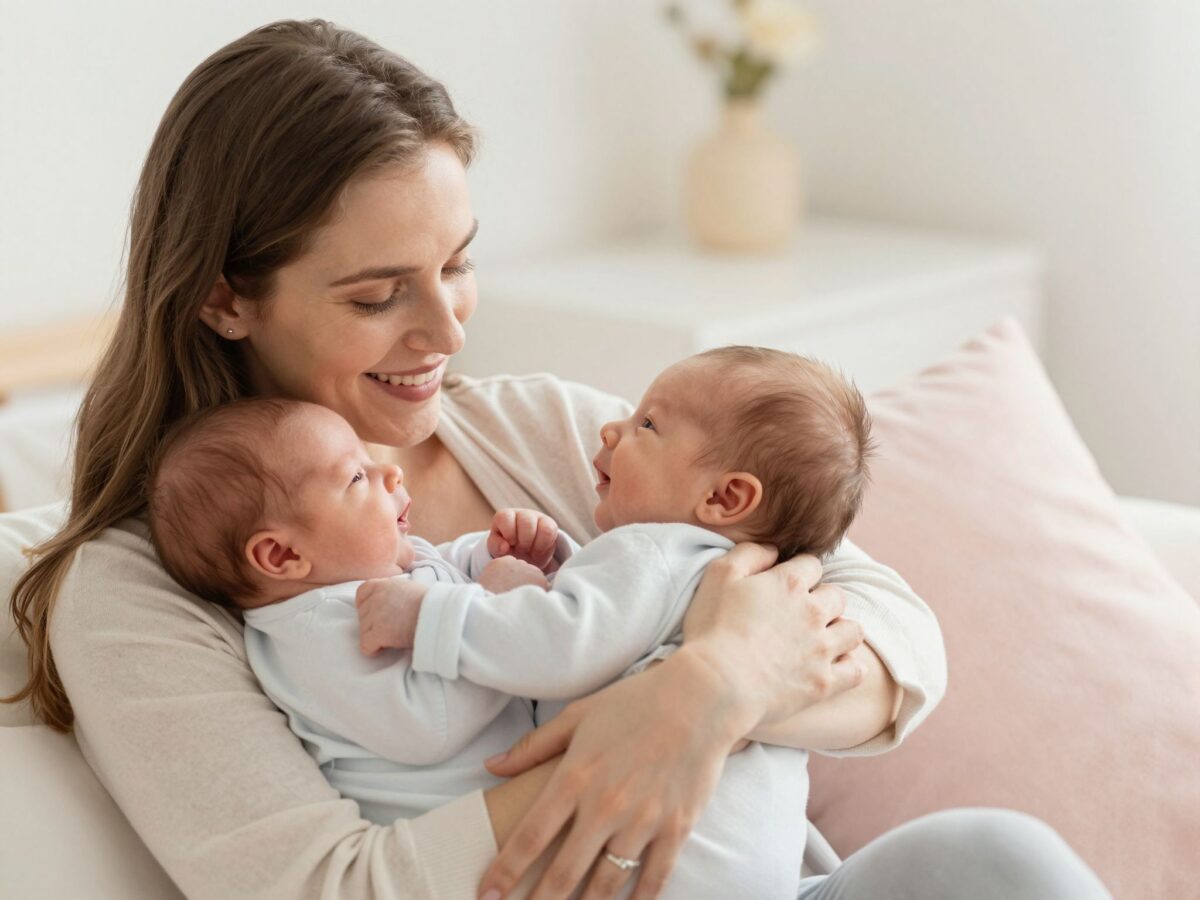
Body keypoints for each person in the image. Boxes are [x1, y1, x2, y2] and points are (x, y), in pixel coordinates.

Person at [2, 18, 1110, 900]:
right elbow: (327, 885)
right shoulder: (138, 590)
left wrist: (710, 693)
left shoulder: (545, 430)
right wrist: (626, 745)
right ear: (224, 298)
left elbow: (894, 632)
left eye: (457, 265)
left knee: (997, 861)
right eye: (379, 295)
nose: (447, 330)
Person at [144, 346, 875, 898]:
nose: (612, 427)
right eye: (358, 476)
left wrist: (499, 578)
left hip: (686, 857)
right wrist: (503, 584)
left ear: (726, 497)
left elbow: (563, 635)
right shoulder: (313, 624)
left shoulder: (653, 547)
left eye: (646, 423)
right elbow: (492, 668)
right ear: (280, 554)